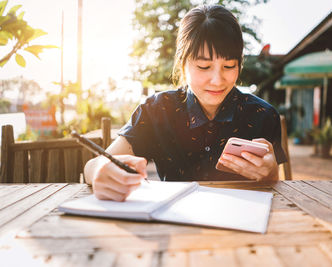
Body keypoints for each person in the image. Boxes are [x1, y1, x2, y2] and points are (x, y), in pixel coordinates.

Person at [84, 5, 287, 201]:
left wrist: (269, 175)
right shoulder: (157, 110)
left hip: (244, 224)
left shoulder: (263, 114)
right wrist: (98, 171)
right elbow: (97, 164)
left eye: (229, 65)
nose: (217, 80)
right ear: (182, 61)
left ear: (239, 63)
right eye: (204, 66)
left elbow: (275, 186)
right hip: (174, 224)